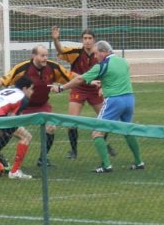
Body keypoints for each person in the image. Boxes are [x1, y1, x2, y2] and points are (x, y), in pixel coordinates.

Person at [54, 40, 144, 174]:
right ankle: (139, 162)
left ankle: (106, 166)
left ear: (104, 52)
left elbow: (79, 80)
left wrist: (61, 88)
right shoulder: (123, 61)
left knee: (97, 133)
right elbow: (116, 77)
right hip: (129, 99)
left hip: (114, 101)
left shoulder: (102, 65)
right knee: (127, 130)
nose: (95, 57)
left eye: (96, 54)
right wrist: (104, 85)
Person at [0, 44, 72, 167]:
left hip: (42, 105)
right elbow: (3, 79)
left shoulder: (53, 67)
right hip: (22, 106)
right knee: (10, 129)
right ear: (34, 56)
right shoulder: (22, 68)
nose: (45, 58)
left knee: (51, 127)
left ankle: (43, 159)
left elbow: (71, 77)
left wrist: (87, 81)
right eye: (42, 55)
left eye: (46, 55)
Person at [51, 26, 116, 160]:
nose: (87, 41)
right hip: (78, 87)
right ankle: (73, 151)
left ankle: (104, 144)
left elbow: (108, 71)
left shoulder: (100, 54)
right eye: (85, 38)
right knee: (72, 121)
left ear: (94, 40)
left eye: (90, 38)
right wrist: (56, 39)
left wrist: (103, 86)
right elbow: (60, 50)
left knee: (105, 119)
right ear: (82, 40)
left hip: (95, 90)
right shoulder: (75, 52)